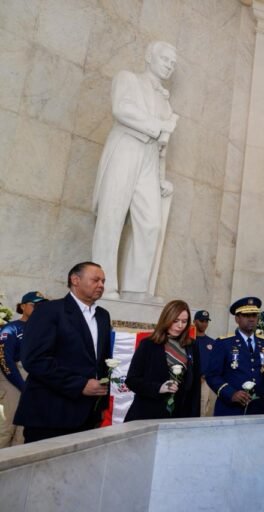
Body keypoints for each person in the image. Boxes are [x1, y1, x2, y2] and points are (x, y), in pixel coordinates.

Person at [91, 41, 180, 299]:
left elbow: (163, 146)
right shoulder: (128, 78)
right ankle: (104, 286)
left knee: (151, 224)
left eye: (172, 63)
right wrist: (158, 126)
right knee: (112, 215)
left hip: (150, 158)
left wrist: (161, 178)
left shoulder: (166, 102)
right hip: (126, 147)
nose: (169, 66)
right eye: (165, 59)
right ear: (149, 56)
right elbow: (122, 109)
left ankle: (136, 290)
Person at [14, 262, 113, 443]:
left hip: (88, 414)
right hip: (50, 413)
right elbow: (34, 359)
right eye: (96, 280)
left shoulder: (103, 316)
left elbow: (101, 360)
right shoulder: (49, 311)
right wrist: (79, 384)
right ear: (75, 280)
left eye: (103, 281)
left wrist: (102, 402)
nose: (101, 285)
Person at [124, 300, 201, 421]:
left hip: (179, 416)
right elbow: (131, 380)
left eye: (184, 321)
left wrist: (194, 418)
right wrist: (158, 388)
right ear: (166, 319)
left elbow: (195, 386)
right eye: (175, 321)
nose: (180, 326)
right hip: (148, 414)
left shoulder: (192, 346)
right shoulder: (148, 344)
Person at [206, 297, 264, 416]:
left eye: (254, 315)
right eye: (246, 315)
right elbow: (212, 375)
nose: (251, 319)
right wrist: (231, 393)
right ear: (237, 319)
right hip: (229, 409)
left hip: (256, 410)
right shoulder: (224, 343)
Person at [0, 291, 47, 447]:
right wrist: (21, 385)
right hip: (12, 379)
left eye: (42, 306)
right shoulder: (11, 328)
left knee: (24, 431)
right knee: (7, 428)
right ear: (23, 306)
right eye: (35, 305)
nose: (38, 308)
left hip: (34, 380)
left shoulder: (44, 330)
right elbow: (4, 359)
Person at [194, 310, 216, 417]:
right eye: (201, 321)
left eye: (206, 321)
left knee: (202, 409)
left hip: (204, 382)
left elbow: (214, 363)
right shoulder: (189, 339)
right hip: (188, 381)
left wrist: (204, 376)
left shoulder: (212, 342)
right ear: (194, 321)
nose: (204, 324)